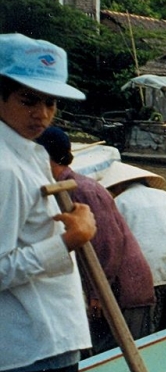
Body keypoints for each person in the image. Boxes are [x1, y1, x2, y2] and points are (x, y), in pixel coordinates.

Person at [0, 33, 94, 372]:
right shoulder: (2, 167)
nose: (41, 114)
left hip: (50, 343)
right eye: (27, 100)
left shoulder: (30, 153)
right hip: (30, 349)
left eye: (50, 103)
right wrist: (67, 243)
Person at [37, 128, 155, 353]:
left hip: (119, 289)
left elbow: (107, 244)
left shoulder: (82, 189)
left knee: (115, 356)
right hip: (108, 287)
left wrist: (99, 293)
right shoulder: (66, 187)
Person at [102, 161, 166, 332]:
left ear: (118, 186)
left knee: (148, 328)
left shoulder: (119, 203)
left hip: (148, 274)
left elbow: (114, 247)